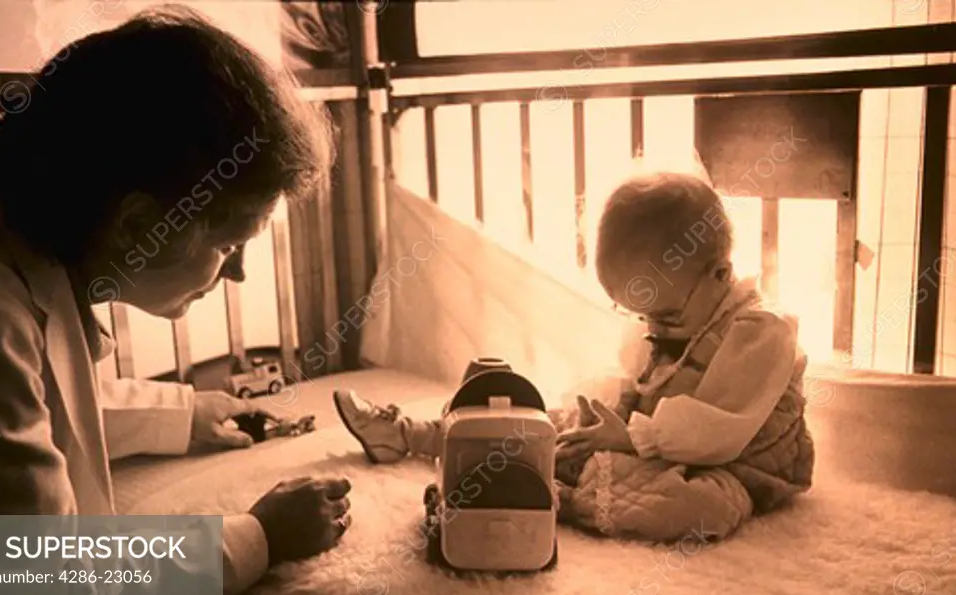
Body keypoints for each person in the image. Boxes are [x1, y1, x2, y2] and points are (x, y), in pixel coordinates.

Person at [0, 7, 351, 595]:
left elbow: (38, 411)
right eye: (230, 244)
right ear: (135, 225)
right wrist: (257, 535)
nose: (239, 274)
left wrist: (188, 413)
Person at [334, 169, 814, 542]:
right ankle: (412, 435)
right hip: (651, 439)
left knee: (697, 509)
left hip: (734, 467)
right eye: (639, 315)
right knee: (551, 422)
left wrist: (626, 437)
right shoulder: (677, 311)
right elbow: (637, 383)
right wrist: (607, 415)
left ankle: (550, 493)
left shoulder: (760, 330)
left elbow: (719, 432)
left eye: (663, 317)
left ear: (720, 274)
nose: (651, 329)